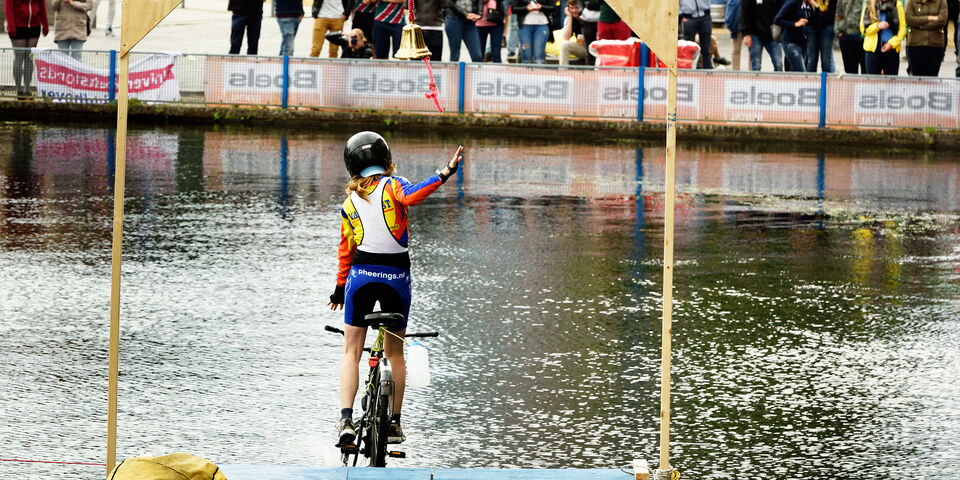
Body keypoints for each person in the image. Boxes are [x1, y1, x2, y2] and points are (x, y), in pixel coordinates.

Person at [330, 132, 463, 448]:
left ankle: (346, 420)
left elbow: (346, 250)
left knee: (351, 352)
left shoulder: (349, 203)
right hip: (396, 279)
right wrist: (444, 173)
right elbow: (413, 196)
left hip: (360, 278)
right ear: (386, 159)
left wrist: (339, 289)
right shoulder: (393, 185)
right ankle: (394, 423)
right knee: (395, 353)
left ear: (351, 166)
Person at [5, 0, 49, 99]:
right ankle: (19, 89)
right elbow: (8, 7)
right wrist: (11, 26)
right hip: (18, 26)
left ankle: (27, 89)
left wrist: (45, 24)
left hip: (34, 26)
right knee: (19, 57)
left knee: (29, 58)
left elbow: (42, 6)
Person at [861, 0, 906, 74]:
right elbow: (863, 29)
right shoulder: (869, 4)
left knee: (891, 80)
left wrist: (891, 44)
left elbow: (902, 30)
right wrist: (878, 26)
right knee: (873, 80)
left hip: (892, 50)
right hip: (873, 51)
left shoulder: (897, 4)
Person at [905, 0, 948, 75]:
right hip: (915, 44)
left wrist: (919, 25)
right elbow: (909, 19)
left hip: (935, 44)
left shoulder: (941, 1)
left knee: (932, 77)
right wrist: (928, 18)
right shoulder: (911, 1)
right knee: (917, 77)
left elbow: (942, 20)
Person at [740, 0, 785, 70]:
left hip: (773, 34)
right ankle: (755, 78)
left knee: (778, 64)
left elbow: (782, 9)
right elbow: (743, 13)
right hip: (754, 34)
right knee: (756, 66)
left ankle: (778, 78)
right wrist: (746, 34)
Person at [775, 0, 817, 71]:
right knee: (801, 71)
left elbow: (816, 23)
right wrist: (795, 24)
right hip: (791, 42)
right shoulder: (792, 3)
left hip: (803, 42)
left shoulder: (809, 6)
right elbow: (777, 20)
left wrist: (817, 7)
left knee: (795, 71)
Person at [680, 0, 714, 69]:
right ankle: (687, 71)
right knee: (688, 48)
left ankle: (707, 72)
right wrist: (680, 15)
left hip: (705, 16)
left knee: (706, 49)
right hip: (688, 17)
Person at [835, 0, 866, 72]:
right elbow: (838, 13)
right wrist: (837, 31)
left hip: (862, 36)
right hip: (846, 35)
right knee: (850, 71)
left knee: (866, 70)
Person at [805, 0, 836, 71]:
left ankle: (826, 78)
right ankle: (810, 78)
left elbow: (833, 13)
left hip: (827, 26)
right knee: (811, 60)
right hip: (811, 27)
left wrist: (817, 10)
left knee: (826, 61)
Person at [558, 0, 586, 65]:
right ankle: (563, 70)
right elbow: (566, 38)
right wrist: (570, 17)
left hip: (593, 47)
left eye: (576, 8)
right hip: (582, 48)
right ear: (568, 9)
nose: (574, 10)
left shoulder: (587, 15)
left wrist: (585, 37)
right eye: (572, 8)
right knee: (564, 45)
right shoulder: (569, 18)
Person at [579, 0, 599, 64]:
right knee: (589, 49)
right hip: (587, 20)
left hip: (604, 19)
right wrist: (581, 10)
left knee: (604, 48)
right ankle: (590, 68)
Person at [726, 0, 745, 69]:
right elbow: (730, 14)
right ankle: (735, 71)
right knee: (736, 50)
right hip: (737, 26)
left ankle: (753, 72)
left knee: (752, 51)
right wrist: (731, 26)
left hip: (750, 25)